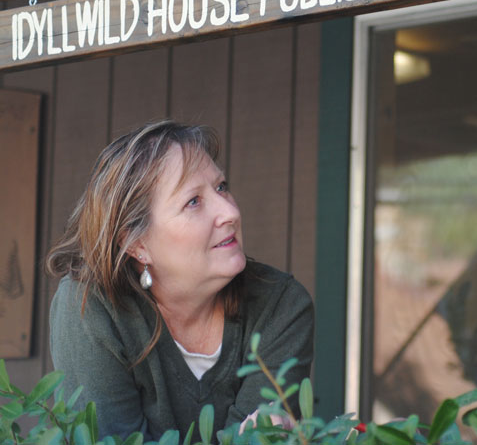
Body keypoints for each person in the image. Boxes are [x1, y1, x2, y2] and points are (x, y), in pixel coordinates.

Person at [47, 120, 314, 440]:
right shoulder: (89, 308)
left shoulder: (281, 306)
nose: (229, 212)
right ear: (137, 244)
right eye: (193, 201)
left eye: (221, 186)